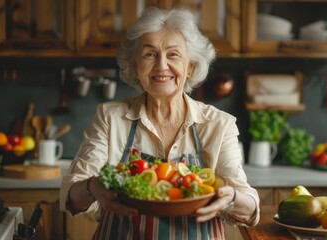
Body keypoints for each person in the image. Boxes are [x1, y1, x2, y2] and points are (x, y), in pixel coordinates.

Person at [60, 6, 260, 239]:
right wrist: (92, 187)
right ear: (135, 67)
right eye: (149, 54)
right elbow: (71, 195)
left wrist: (232, 199)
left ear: (190, 67)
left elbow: (250, 207)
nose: (161, 65)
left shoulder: (217, 124)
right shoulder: (110, 118)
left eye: (173, 54)